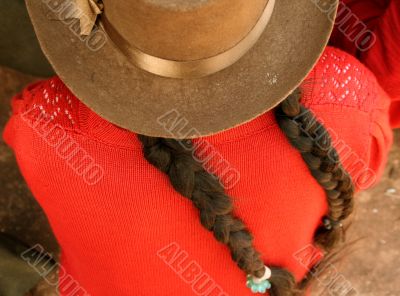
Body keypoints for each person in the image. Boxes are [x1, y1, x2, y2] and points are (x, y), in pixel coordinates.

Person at [2, 0, 399, 295]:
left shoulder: (46, 122)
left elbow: (27, 116)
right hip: (270, 279)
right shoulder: (346, 92)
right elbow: (366, 169)